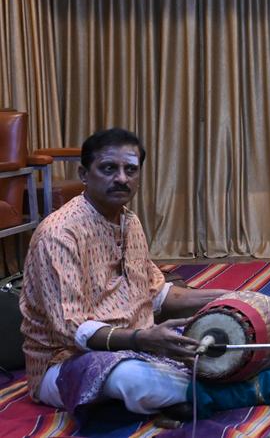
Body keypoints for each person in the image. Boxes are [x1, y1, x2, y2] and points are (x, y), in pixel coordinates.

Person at [20, 128, 230, 417]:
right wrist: (141, 339)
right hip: (65, 361)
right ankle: (231, 392)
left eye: (130, 170)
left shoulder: (129, 221)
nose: (121, 178)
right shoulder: (58, 235)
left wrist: (230, 299)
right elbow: (72, 330)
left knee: (221, 338)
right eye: (109, 168)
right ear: (84, 174)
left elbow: (155, 293)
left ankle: (180, 398)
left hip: (139, 343)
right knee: (132, 379)